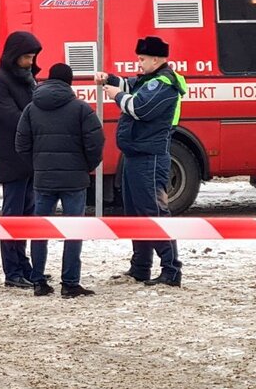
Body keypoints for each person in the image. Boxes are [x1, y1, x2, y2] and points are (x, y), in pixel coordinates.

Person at [96, 35, 187, 287]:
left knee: (154, 212)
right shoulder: (149, 80)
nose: (139, 63)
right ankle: (140, 268)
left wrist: (115, 95)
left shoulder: (164, 84)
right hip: (136, 156)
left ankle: (171, 269)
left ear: (156, 59)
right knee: (136, 214)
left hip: (151, 158)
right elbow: (129, 85)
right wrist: (109, 79)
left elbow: (139, 107)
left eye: (142, 59)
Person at [15, 63, 104, 298]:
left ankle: (38, 281)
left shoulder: (32, 109)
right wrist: (86, 167)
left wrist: (37, 167)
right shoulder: (82, 109)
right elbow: (96, 142)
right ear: (70, 82)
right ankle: (70, 283)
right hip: (75, 181)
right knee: (73, 230)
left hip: (43, 180)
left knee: (40, 230)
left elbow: (21, 144)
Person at [0, 30, 42, 289]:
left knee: (27, 215)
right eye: (27, 57)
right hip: (10, 157)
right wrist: (39, 126)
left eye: (33, 57)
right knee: (12, 214)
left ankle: (24, 265)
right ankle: (12, 270)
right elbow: (10, 116)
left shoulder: (28, 78)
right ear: (14, 55)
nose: (30, 62)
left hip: (29, 157)